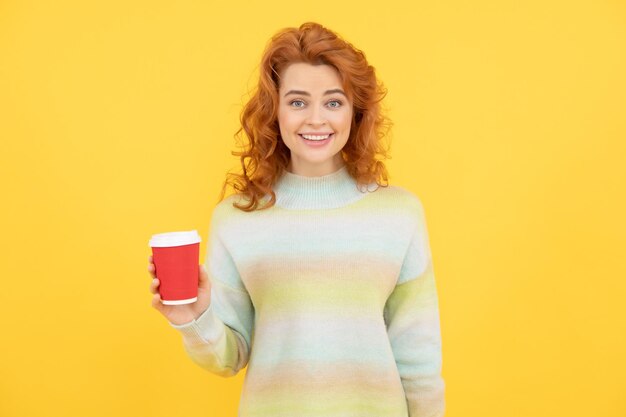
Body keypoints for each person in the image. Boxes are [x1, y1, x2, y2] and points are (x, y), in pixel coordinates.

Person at [148, 21, 445, 417]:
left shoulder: (399, 214)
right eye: (298, 102)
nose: (316, 120)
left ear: (356, 113)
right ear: (275, 110)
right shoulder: (237, 220)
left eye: (334, 102)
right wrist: (192, 319)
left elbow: (419, 357)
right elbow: (227, 358)